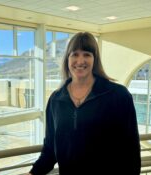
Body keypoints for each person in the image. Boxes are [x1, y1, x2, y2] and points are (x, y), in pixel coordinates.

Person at [28, 32, 141, 174]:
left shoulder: (118, 95)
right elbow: (50, 149)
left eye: (87, 54)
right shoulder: (56, 100)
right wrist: (33, 172)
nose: (80, 61)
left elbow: (131, 151)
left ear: (95, 59)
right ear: (67, 59)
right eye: (75, 54)